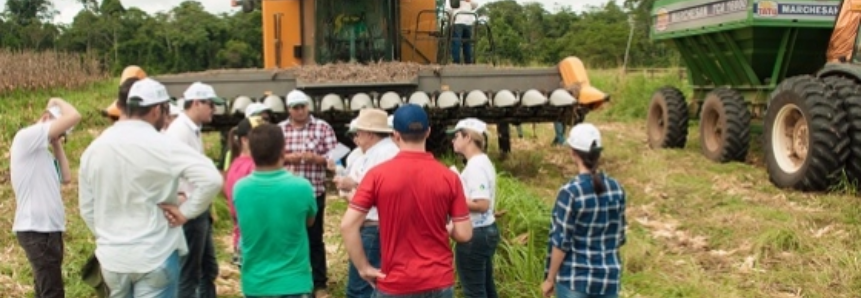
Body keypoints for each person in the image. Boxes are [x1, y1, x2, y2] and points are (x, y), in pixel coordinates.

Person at [78, 78, 224, 298]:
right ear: (157, 109)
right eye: (166, 110)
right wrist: (185, 213)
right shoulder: (162, 145)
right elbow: (211, 179)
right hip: (156, 254)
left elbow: (87, 208)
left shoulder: (95, 148)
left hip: (113, 260)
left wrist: (109, 236)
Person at [340, 103, 473, 298]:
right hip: (438, 281)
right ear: (428, 132)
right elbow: (464, 234)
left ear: (395, 135)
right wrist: (447, 228)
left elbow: (348, 225)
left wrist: (363, 267)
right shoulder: (449, 178)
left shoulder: (377, 176)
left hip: (395, 282)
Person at [233, 123, 319, 298]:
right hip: (294, 283)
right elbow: (310, 221)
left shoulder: (240, 189)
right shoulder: (302, 187)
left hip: (255, 284)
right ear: (282, 151)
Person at [542, 123, 627, 298]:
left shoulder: (570, 192)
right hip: (608, 280)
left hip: (575, 280)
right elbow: (619, 236)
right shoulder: (616, 188)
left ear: (573, 153)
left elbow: (561, 242)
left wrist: (550, 278)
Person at [10, 97, 81, 298]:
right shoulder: (25, 138)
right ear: (45, 118)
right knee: (53, 292)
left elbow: (66, 177)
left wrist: (57, 144)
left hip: (50, 229)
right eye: (58, 130)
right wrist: (56, 100)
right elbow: (75, 115)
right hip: (36, 230)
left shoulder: (44, 154)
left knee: (45, 289)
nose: (58, 136)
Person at [163, 81, 226, 298]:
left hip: (198, 208)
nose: (214, 109)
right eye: (210, 104)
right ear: (197, 103)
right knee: (189, 273)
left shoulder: (192, 130)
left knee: (208, 268)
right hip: (189, 210)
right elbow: (175, 170)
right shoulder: (179, 132)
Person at [334, 109, 400, 298]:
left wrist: (352, 184)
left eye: (358, 132)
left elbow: (381, 191)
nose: (356, 137)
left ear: (369, 133)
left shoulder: (384, 154)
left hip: (374, 224)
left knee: (359, 288)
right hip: (373, 224)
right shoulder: (378, 152)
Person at [278, 89, 337, 298]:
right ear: (289, 110)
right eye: (296, 107)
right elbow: (270, 157)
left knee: (315, 238)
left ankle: (319, 284)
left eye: (303, 106)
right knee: (289, 238)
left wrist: (317, 159)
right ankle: (292, 279)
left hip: (314, 192)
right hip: (285, 195)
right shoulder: (280, 130)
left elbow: (335, 158)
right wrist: (288, 158)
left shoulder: (322, 127)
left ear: (308, 107)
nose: (300, 111)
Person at [448, 118, 500, 298]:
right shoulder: (480, 162)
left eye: (456, 136)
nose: (453, 141)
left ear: (468, 137)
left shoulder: (476, 166)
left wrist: (453, 197)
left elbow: (482, 204)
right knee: (485, 287)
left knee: (474, 291)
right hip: (485, 231)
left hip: (475, 233)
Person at [223, 116, 269, 268]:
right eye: (258, 136)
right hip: (256, 238)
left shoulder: (235, 164)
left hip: (241, 236)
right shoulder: (253, 168)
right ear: (244, 140)